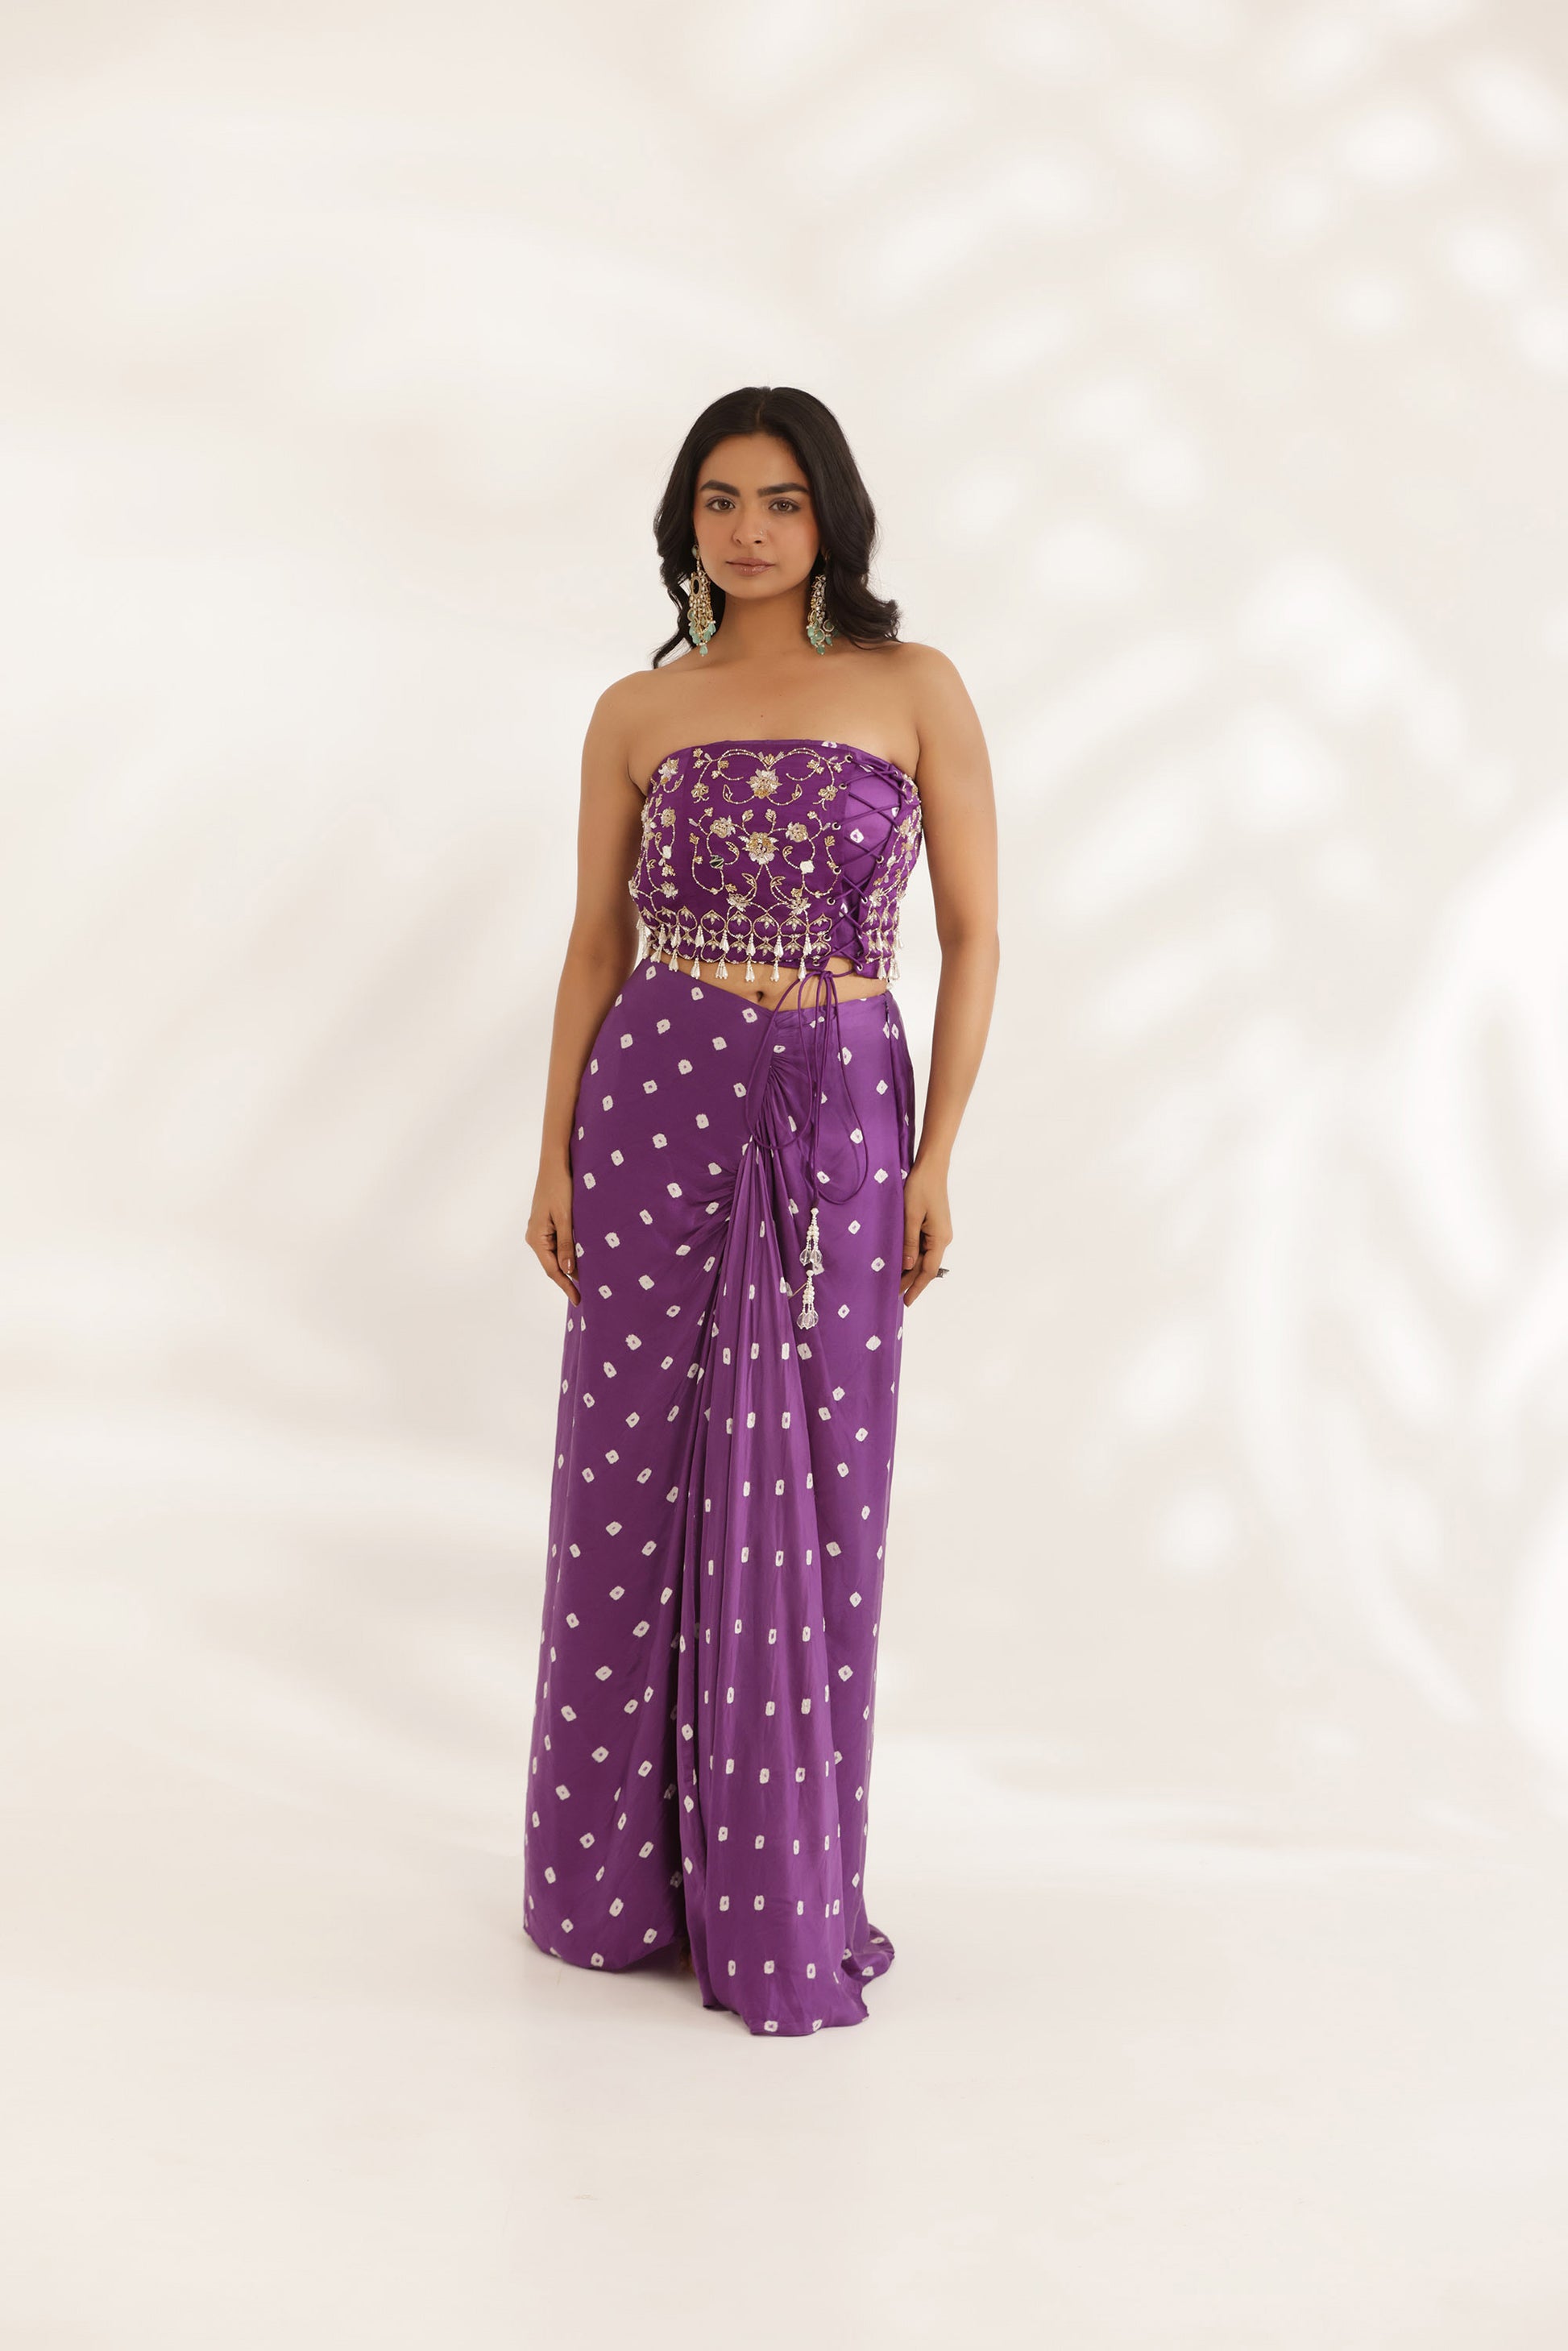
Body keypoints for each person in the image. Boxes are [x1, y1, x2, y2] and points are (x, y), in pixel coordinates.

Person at [521, 385, 998, 2035]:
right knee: (628, 1473)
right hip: (654, 1089)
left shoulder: (913, 685)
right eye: (718, 501)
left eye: (779, 501)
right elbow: (595, 942)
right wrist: (551, 1156)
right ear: (685, 525)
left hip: (841, 1097)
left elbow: (975, 935)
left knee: (819, 1471)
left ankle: (780, 1891)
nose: (746, 530)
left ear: (828, 519)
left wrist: (937, 1156)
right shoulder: (635, 712)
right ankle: (608, 1885)